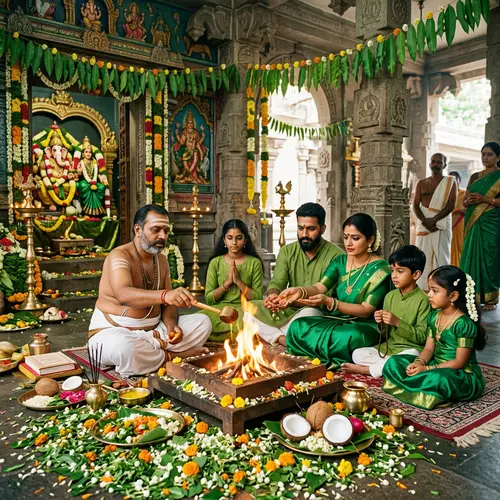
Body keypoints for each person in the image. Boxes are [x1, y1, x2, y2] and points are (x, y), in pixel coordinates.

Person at [88, 205, 212, 377]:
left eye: (166, 230)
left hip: (155, 331)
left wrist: (171, 326)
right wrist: (165, 295)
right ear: (138, 230)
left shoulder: (162, 260)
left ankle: (154, 353)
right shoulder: (119, 256)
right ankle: (174, 356)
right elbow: (123, 295)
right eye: (156, 230)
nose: (163, 236)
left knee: (203, 322)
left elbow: (168, 306)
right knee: (125, 348)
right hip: (114, 331)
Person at [280, 213, 391, 368]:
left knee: (350, 337)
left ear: (370, 240)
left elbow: (366, 310)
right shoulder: (340, 261)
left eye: (355, 238)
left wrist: (331, 302)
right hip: (336, 319)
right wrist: (300, 290)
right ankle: (324, 354)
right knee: (299, 326)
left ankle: (317, 353)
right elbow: (319, 287)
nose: (348, 243)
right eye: (346, 237)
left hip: (364, 325)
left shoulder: (381, 269)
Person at [382, 266, 486, 409]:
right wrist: (419, 362)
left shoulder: (463, 324)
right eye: (429, 289)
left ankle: (421, 388)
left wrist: (426, 369)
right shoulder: (433, 316)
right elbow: (429, 349)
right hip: (434, 364)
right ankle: (425, 389)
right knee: (394, 362)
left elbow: (459, 362)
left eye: (435, 291)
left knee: (439, 379)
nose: (429, 294)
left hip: (459, 374)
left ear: (453, 296)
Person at [247, 203, 343, 346]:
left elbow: (332, 297)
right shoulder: (287, 251)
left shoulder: (337, 256)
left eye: (311, 229)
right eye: (300, 228)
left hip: (316, 312)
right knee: (249, 309)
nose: (304, 234)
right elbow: (277, 283)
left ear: (322, 229)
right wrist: (274, 295)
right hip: (287, 309)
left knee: (308, 316)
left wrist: (294, 300)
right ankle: (284, 339)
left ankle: (278, 335)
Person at [343, 245, 430, 378]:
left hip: (411, 350)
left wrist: (397, 322)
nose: (394, 276)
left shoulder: (424, 300)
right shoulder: (390, 296)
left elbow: (422, 337)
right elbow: (385, 333)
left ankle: (367, 370)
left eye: (400, 271)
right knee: (357, 354)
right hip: (389, 349)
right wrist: (380, 322)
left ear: (416, 274)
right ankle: (387, 367)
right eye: (392, 270)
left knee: (408, 358)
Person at [203, 219, 264, 341]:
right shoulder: (216, 262)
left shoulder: (254, 263)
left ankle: (222, 335)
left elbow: (257, 298)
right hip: (219, 310)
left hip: (245, 309)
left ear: (245, 240)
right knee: (200, 321)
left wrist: (238, 282)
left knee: (250, 319)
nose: (234, 242)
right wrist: (227, 283)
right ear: (224, 240)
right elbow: (209, 299)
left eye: (239, 238)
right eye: (230, 238)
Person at [460, 142, 500, 311]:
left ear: (498, 157)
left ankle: (490, 298)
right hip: (472, 221)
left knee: (490, 258)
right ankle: (470, 295)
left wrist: (487, 200)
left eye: (489, 154)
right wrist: (468, 201)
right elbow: (465, 200)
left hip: (491, 222)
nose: (485, 157)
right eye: (483, 154)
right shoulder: (475, 177)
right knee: (470, 256)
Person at [413, 153, 457, 290]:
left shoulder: (450, 182)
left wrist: (434, 220)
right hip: (424, 224)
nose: (436, 164)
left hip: (441, 224)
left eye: (439, 162)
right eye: (434, 162)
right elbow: (415, 205)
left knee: (441, 256)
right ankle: (422, 289)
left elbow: (451, 205)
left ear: (444, 165)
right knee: (423, 256)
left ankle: (442, 288)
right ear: (430, 164)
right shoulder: (421, 183)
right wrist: (425, 221)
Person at [449, 171, 466, 267]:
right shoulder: (445, 196)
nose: (453, 182)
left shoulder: (464, 194)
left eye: (455, 179)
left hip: (460, 225)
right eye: (450, 180)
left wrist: (458, 211)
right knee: (450, 249)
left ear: (460, 181)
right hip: (449, 226)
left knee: (461, 247)